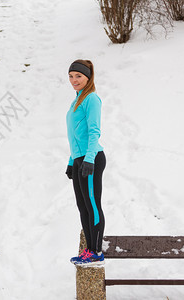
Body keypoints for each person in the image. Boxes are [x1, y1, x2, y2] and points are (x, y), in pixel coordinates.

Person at [65, 59, 106, 266]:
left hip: (92, 159)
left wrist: (88, 159)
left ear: (88, 77)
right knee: (83, 206)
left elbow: (93, 132)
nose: (74, 80)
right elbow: (75, 136)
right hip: (81, 159)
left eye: (78, 76)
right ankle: (89, 250)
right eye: (71, 76)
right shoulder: (77, 100)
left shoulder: (91, 99)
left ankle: (96, 252)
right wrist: (72, 161)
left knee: (92, 205)